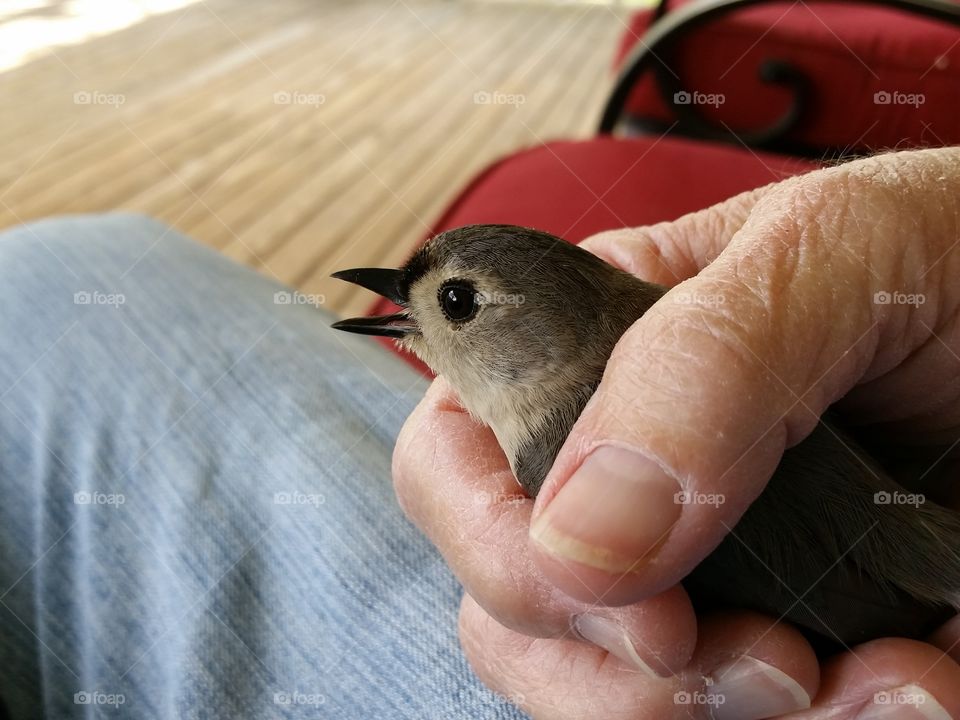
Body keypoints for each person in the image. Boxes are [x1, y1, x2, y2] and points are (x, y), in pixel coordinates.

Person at [0, 147, 957, 719]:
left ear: (542, 328)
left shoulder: (558, 450)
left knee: (41, 274)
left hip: (891, 616)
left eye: (457, 303)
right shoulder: (660, 336)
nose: (414, 308)